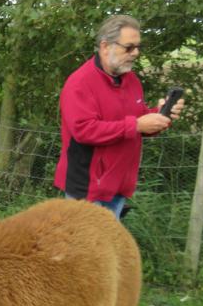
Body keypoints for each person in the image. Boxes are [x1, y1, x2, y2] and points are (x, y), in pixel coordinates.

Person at [54, 14, 185, 218]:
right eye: (129, 47)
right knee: (87, 241)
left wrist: (159, 115)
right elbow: (84, 130)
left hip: (118, 186)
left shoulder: (131, 80)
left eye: (138, 47)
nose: (136, 53)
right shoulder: (80, 83)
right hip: (87, 190)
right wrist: (136, 125)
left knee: (109, 240)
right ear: (105, 46)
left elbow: (139, 120)